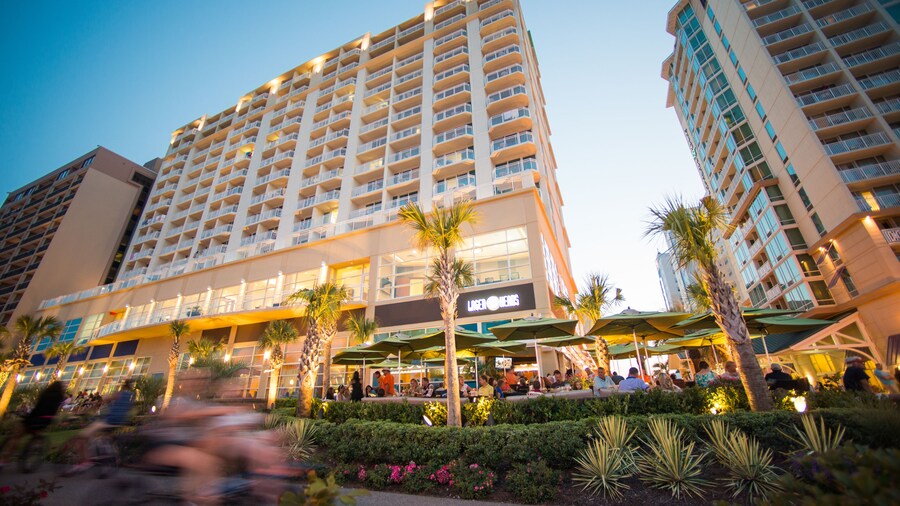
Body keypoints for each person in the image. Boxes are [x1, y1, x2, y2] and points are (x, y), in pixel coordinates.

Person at [67, 379, 137, 474]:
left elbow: (104, 400)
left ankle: (85, 461)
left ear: (123, 385)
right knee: (103, 437)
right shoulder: (132, 396)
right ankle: (113, 456)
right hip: (119, 421)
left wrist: (89, 408)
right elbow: (129, 408)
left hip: (109, 421)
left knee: (82, 436)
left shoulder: (119, 393)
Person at [0, 381, 68, 469]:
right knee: (36, 433)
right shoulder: (59, 397)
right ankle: (34, 448)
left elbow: (37, 407)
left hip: (33, 418)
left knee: (16, 437)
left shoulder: (45, 394)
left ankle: (4, 459)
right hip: (44, 421)